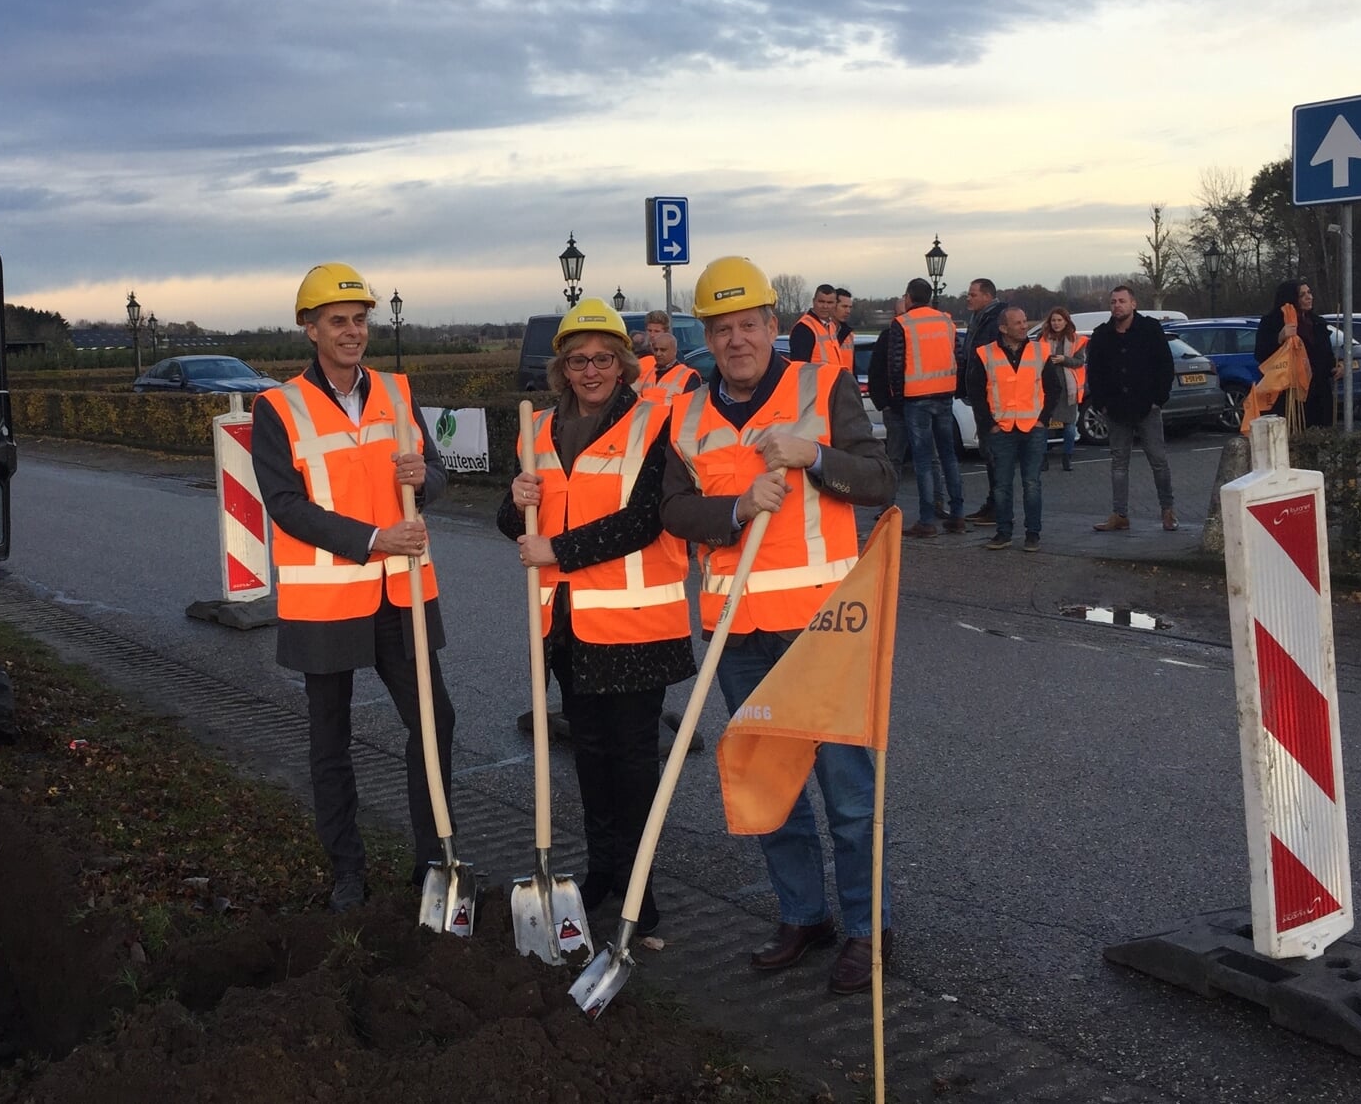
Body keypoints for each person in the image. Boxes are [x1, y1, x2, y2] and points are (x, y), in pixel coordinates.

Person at [660, 256, 896, 996]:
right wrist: (732, 511)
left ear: (772, 324)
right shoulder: (688, 413)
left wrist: (814, 456)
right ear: (707, 336)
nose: (737, 340)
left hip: (825, 630)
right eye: (722, 329)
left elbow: (881, 480)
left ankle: (867, 933)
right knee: (773, 791)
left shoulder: (819, 388)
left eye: (749, 325)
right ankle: (804, 915)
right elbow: (671, 510)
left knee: (849, 795)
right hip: (739, 630)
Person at [250, 262, 457, 913]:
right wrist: (373, 540)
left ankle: (433, 860)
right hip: (329, 602)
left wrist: (425, 478)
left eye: (359, 320)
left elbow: (438, 480)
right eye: (337, 321)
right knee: (329, 741)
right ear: (310, 329)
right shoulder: (277, 408)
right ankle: (347, 869)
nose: (352, 332)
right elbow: (285, 505)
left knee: (435, 722)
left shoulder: (398, 392)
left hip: (404, 598)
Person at [498, 299, 695, 935]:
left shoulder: (653, 423)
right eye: (579, 360)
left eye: (603, 359)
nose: (590, 371)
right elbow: (518, 528)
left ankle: (642, 889)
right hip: (566, 627)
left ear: (623, 364)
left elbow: (645, 519)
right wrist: (513, 501)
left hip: (635, 627)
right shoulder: (537, 431)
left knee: (633, 763)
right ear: (562, 368)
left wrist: (558, 549)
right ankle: (605, 871)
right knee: (589, 757)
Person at [964, 306, 1061, 552]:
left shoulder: (1039, 351)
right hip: (1003, 428)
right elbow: (976, 392)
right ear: (1003, 328)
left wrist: (1043, 419)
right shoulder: (986, 354)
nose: (1024, 326)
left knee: (1032, 483)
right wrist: (990, 425)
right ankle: (1003, 532)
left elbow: (1053, 388)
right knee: (1002, 484)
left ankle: (1032, 535)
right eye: (1017, 323)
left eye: (1025, 321)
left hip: (1032, 427)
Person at [876, 277, 964, 538]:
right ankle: (957, 515)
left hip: (917, 398)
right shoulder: (946, 321)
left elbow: (895, 365)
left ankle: (927, 520)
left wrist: (897, 399)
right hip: (945, 394)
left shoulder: (902, 324)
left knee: (923, 460)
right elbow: (957, 356)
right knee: (948, 456)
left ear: (909, 297)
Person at [1086, 285, 1177, 532]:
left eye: (1122, 301)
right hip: (1115, 409)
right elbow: (1094, 371)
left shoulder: (1150, 329)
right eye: (1113, 301)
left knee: (1158, 460)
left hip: (1147, 406)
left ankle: (1167, 509)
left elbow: (1165, 365)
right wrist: (1101, 403)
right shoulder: (1102, 334)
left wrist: (1159, 398)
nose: (1117, 305)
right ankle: (1120, 514)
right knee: (1118, 463)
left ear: (1133, 304)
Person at [1253, 279, 1339, 428]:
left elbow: (1326, 356)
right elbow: (1261, 355)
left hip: (1319, 393)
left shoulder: (1317, 322)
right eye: (1302, 295)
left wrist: (1337, 366)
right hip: (1290, 395)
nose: (1309, 297)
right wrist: (1279, 338)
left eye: (1309, 293)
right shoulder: (1272, 322)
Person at [959, 278, 1007, 526]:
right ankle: (993, 503)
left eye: (973, 294)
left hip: (991, 396)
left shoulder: (996, 320)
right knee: (988, 454)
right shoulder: (978, 318)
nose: (968, 298)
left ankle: (998, 507)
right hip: (979, 396)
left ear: (987, 296)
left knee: (994, 454)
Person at [1037, 306, 1088, 471]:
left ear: (1066, 321)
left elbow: (1080, 361)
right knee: (1043, 424)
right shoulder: (1042, 338)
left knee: (1070, 427)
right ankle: (1043, 459)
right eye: (1053, 320)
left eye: (1059, 320)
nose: (1056, 323)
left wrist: (1064, 359)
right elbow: (1035, 360)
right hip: (1047, 387)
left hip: (1068, 389)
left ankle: (1067, 457)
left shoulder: (1076, 340)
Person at [636, 309, 700, 403]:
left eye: (657, 331)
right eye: (649, 331)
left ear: (666, 332)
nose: (652, 335)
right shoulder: (638, 354)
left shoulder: (675, 359)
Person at [789, 285, 856, 371]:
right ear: (814, 301)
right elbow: (799, 370)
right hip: (817, 384)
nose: (825, 306)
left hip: (834, 383)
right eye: (821, 302)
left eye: (829, 303)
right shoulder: (804, 328)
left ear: (835, 304)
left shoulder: (830, 326)